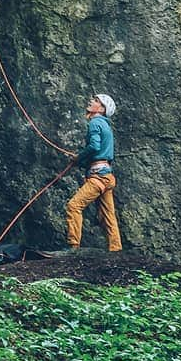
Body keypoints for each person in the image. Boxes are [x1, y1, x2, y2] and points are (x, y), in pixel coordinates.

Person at [65, 93, 122, 252]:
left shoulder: (95, 123)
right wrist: (81, 160)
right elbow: (101, 152)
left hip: (98, 177)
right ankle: (115, 249)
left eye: (96, 101)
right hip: (107, 176)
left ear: (102, 109)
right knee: (108, 215)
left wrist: (78, 158)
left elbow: (95, 147)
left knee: (73, 206)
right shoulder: (106, 126)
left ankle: (73, 247)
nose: (92, 101)